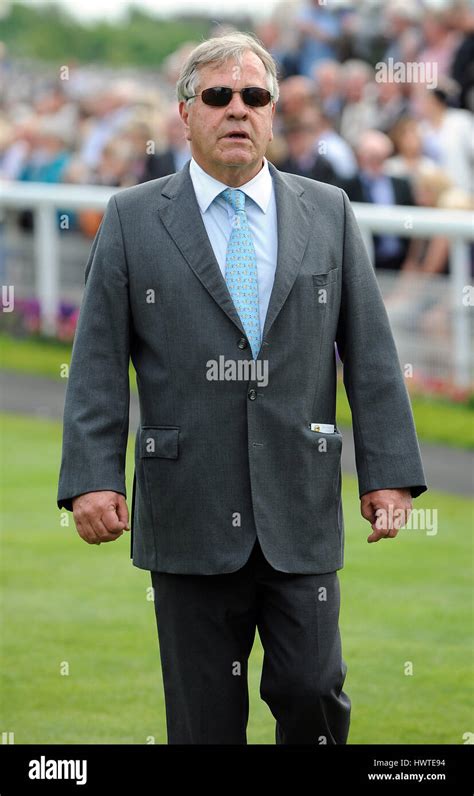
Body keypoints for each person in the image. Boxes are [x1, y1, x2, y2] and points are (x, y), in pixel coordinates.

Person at [57, 32, 427, 746]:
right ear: (185, 111)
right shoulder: (133, 218)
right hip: (187, 509)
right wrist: (90, 480)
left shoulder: (329, 210)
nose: (237, 109)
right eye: (218, 96)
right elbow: (97, 361)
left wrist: (389, 475)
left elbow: (373, 356)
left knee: (313, 689)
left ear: (273, 111)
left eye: (254, 96)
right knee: (203, 722)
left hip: (301, 507)